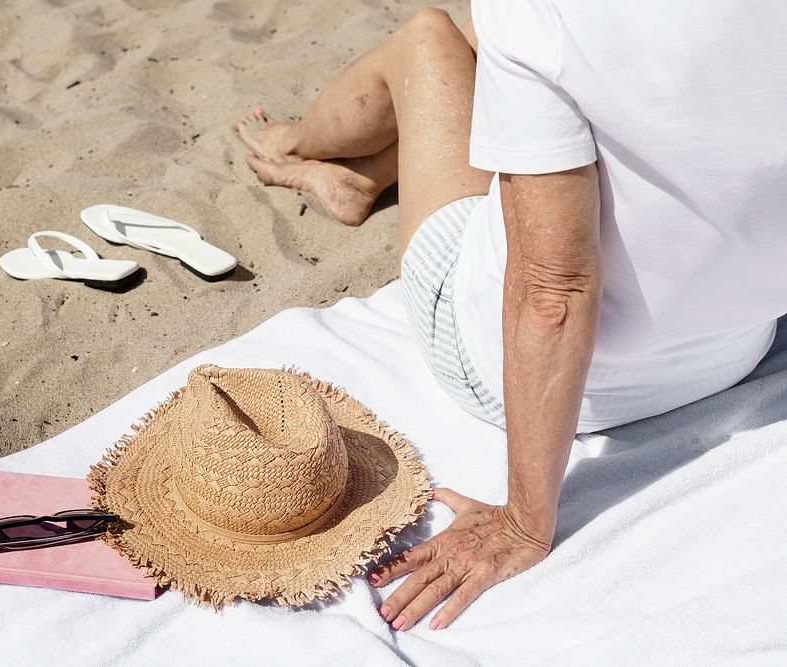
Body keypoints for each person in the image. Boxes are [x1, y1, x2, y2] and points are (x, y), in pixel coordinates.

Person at [234, 2, 787, 631]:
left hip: (531, 379)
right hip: (729, 353)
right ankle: (362, 171)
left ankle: (299, 140)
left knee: (429, 39)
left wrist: (526, 520)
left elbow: (553, 293)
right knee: (504, 44)